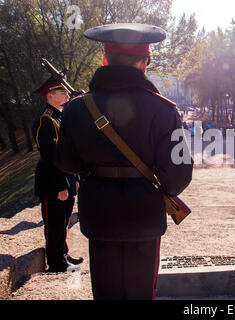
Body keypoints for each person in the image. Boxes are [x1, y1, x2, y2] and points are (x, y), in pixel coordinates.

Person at [54, 23, 193, 300]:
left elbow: (66, 161)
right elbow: (178, 175)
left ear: (104, 59)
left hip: (100, 211)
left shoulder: (77, 108)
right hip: (144, 213)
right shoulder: (164, 110)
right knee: (141, 292)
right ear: (144, 63)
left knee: (105, 292)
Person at [31, 77, 82, 272]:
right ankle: (56, 261)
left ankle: (63, 254)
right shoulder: (46, 121)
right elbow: (50, 156)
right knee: (54, 223)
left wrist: (74, 179)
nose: (67, 96)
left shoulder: (59, 117)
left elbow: (68, 152)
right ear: (50, 96)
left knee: (63, 221)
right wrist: (61, 185)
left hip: (66, 178)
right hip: (52, 182)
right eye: (63, 93)